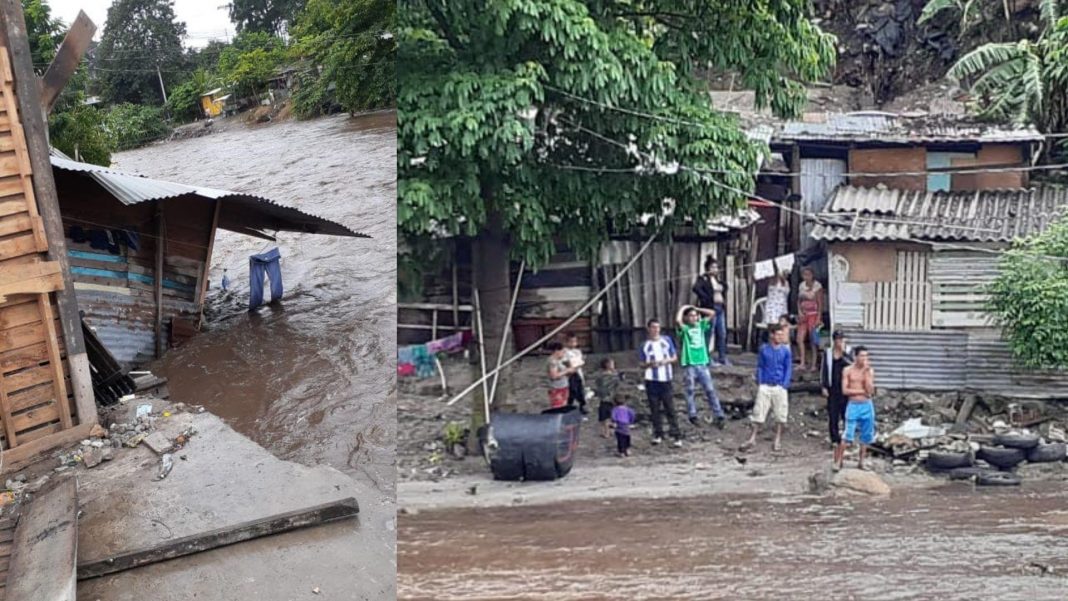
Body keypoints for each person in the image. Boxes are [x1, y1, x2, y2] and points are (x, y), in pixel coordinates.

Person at [741, 323, 792, 452]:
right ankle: (752, 438)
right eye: (778, 334)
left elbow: (788, 368)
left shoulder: (785, 351)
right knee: (758, 412)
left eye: (782, 335)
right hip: (765, 385)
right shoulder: (764, 349)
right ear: (772, 335)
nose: (780, 337)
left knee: (780, 415)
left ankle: (777, 439)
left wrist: (785, 384)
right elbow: (761, 366)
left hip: (779, 385)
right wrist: (760, 381)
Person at [675, 305, 726, 428]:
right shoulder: (685, 329)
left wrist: (697, 309)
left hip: (702, 363)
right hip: (690, 364)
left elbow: (712, 313)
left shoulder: (701, 326)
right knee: (690, 390)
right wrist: (684, 308)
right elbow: (678, 320)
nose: (694, 318)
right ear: (686, 318)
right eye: (691, 316)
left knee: (710, 390)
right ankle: (692, 415)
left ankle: (719, 415)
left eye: (695, 316)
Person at [639, 319, 682, 447]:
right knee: (654, 409)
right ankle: (658, 434)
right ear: (648, 329)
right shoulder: (644, 345)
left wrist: (665, 361)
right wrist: (650, 364)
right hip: (651, 379)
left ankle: (676, 435)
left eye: (658, 327)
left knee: (670, 408)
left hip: (665, 379)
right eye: (653, 327)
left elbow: (674, 357)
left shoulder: (666, 341)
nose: (656, 330)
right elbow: (641, 363)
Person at [837, 347, 876, 471]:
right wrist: (861, 391)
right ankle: (839, 461)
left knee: (866, 435)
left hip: (866, 405)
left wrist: (867, 374)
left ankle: (861, 461)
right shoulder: (847, 370)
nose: (864, 359)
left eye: (866, 356)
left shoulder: (869, 371)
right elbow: (845, 390)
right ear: (855, 357)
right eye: (861, 356)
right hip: (853, 405)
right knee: (847, 434)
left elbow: (870, 392)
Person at [821, 331, 854, 466]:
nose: (839, 342)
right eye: (838, 339)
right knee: (833, 415)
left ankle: (847, 439)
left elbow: (852, 365)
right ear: (834, 340)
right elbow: (824, 369)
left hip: (845, 389)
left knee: (847, 415)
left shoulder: (849, 351)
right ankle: (834, 439)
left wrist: (843, 353)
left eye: (842, 339)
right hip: (832, 388)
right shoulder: (828, 353)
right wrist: (823, 386)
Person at [693, 256, 730, 366]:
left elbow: (725, 287)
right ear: (707, 268)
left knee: (722, 333)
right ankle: (706, 358)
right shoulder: (703, 279)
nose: (715, 269)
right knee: (708, 333)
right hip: (710, 309)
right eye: (712, 267)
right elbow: (696, 288)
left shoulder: (718, 280)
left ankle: (722, 357)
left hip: (720, 309)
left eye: (716, 267)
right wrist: (706, 298)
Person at [795, 267, 824, 372]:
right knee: (799, 339)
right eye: (804, 275)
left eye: (808, 274)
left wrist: (818, 318)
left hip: (814, 314)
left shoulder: (817, 286)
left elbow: (820, 304)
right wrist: (799, 311)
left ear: (812, 275)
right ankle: (802, 363)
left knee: (813, 340)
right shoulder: (801, 286)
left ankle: (814, 364)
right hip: (804, 315)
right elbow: (799, 300)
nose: (806, 277)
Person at [594, 358, 622, 439]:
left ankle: (606, 432)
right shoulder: (613, 377)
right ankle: (608, 432)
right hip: (611, 398)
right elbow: (618, 384)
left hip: (603, 398)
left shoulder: (600, 376)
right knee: (608, 417)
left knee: (605, 417)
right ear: (608, 366)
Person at [562, 332, 588, 415]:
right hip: (570, 374)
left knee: (580, 390)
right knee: (571, 391)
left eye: (575, 341)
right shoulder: (564, 352)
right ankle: (569, 406)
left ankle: (582, 405)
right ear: (566, 342)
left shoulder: (578, 351)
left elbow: (580, 361)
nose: (573, 343)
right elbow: (567, 363)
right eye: (571, 341)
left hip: (578, 372)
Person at [545, 341, 576, 409]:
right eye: (562, 351)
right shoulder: (552, 361)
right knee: (558, 407)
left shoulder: (560, 360)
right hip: (556, 388)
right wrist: (567, 371)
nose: (564, 353)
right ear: (557, 351)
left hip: (564, 385)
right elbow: (554, 376)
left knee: (564, 405)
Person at [610, 393, 636, 458]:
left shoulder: (615, 409)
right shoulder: (628, 409)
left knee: (620, 439)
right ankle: (627, 449)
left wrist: (613, 422)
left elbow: (613, 416)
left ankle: (621, 452)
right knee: (627, 437)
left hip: (619, 425)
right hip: (626, 424)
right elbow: (632, 415)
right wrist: (631, 421)